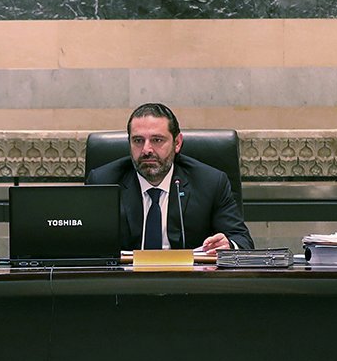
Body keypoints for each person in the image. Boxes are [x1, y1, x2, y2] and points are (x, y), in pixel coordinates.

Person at [86, 102, 252, 253]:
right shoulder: (103, 182)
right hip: (125, 281)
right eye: (138, 140)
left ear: (177, 143)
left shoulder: (210, 182)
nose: (146, 149)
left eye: (157, 140)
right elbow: (84, 242)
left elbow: (242, 241)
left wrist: (229, 245)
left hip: (190, 281)